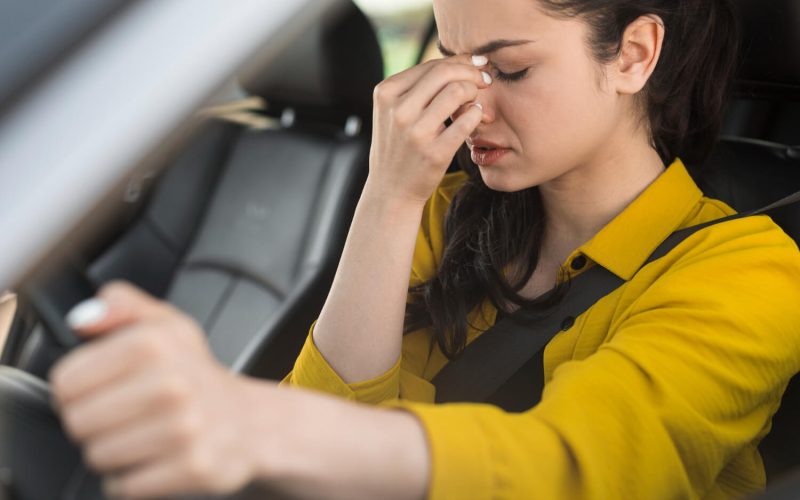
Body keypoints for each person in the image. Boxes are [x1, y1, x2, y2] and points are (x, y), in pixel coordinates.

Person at [49, 0, 800, 498]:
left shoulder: (752, 273)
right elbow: (324, 454)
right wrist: (389, 195)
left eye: (510, 69)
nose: (471, 102)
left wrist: (249, 420)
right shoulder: (448, 215)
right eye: (456, 64)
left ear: (633, 55)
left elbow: (577, 469)